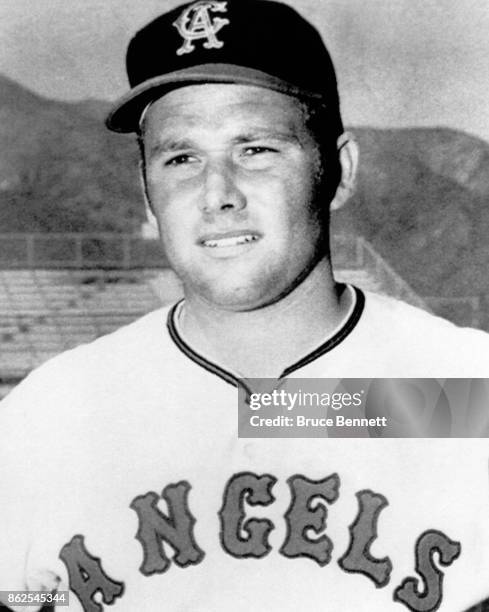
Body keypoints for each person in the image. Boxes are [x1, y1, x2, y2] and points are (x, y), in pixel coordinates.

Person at [1, 1, 489, 611]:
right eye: (181, 158)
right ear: (148, 197)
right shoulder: (50, 415)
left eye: (255, 149)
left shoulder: (465, 389)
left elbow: (283, 411)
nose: (217, 193)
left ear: (339, 171)